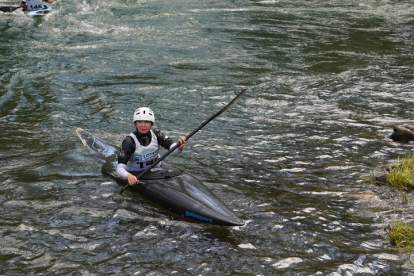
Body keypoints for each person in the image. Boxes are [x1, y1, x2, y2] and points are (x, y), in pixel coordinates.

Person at [116, 107, 186, 186]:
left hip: (156, 170)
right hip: (136, 174)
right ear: (135, 123)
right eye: (139, 122)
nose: (143, 125)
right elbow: (119, 168)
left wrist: (179, 146)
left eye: (146, 122)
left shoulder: (157, 135)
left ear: (151, 124)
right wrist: (128, 176)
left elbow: (175, 150)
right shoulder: (129, 141)